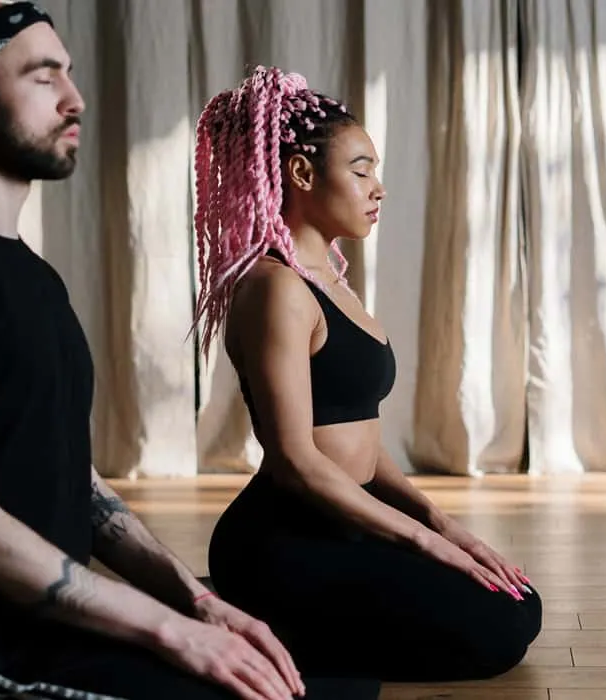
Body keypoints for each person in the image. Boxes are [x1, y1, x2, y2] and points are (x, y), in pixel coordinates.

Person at [0, 3, 378, 699]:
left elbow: (82, 487)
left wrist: (201, 604)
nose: (75, 99)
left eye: (69, 73)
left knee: (335, 688)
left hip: (50, 628)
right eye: (43, 78)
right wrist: (172, 632)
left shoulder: (36, 281)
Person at [194, 66, 543, 684]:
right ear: (302, 173)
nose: (378, 188)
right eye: (361, 170)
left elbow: (360, 438)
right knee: (499, 630)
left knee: (519, 604)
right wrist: (421, 542)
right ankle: (262, 624)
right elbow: (295, 459)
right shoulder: (276, 290)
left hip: (348, 522)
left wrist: (440, 523)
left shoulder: (330, 279)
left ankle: (294, 627)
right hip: (284, 541)